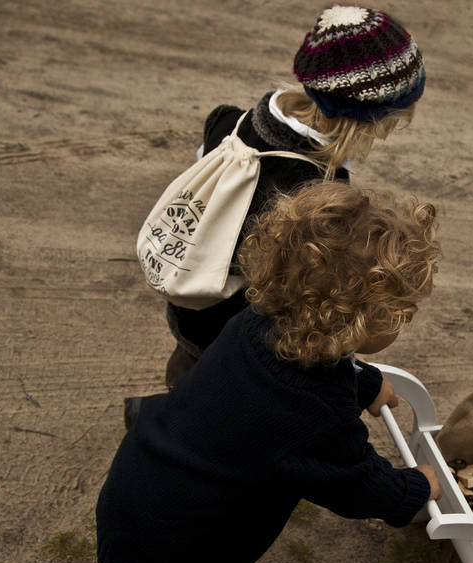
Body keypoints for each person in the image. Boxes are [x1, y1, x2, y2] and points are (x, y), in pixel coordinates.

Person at [0, 181, 443, 563]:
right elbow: (355, 483)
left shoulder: (258, 323)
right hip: (169, 531)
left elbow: (321, 372)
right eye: (399, 314)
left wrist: (365, 382)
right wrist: (417, 488)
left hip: (154, 471)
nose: (403, 322)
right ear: (357, 321)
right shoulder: (315, 418)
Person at [124, 5, 426, 427]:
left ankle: (168, 412)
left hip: (191, 295)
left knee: (192, 371)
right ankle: (160, 428)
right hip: (238, 330)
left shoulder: (236, 120)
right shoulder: (316, 196)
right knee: (231, 411)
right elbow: (301, 303)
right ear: (371, 119)